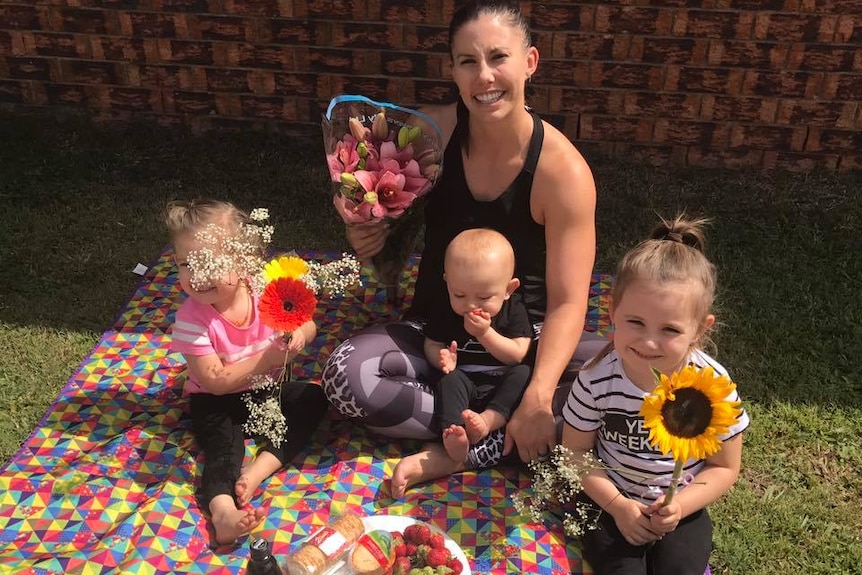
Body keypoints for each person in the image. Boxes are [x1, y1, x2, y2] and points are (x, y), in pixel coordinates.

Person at [321, 0, 601, 494]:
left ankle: (484, 435)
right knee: (346, 378)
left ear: (530, 62)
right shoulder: (431, 135)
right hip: (438, 335)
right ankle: (509, 433)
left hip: (520, 346)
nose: (484, 76)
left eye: (499, 58)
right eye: (469, 61)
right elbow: (391, 245)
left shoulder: (563, 174)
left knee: (633, 388)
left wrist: (536, 393)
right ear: (452, 69)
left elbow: (569, 301)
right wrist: (366, 231)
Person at [561, 215, 750, 575]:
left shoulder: (713, 386)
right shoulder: (596, 379)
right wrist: (618, 506)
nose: (648, 342)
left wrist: (679, 504)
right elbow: (575, 452)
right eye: (635, 322)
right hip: (608, 500)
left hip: (682, 507)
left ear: (699, 329)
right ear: (613, 311)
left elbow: (725, 467)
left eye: (669, 329)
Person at [165, 199, 328, 546]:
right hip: (215, 401)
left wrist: (300, 334)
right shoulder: (191, 319)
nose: (197, 275)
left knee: (313, 397)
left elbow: (308, 323)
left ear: (244, 260)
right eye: (185, 264)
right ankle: (223, 511)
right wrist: (268, 358)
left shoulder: (264, 289)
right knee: (223, 449)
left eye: (209, 262)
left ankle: (259, 470)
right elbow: (214, 381)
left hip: (265, 394)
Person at [424, 229, 533, 468]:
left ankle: (488, 421)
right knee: (448, 380)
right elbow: (431, 342)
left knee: (523, 374)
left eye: (484, 297)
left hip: (501, 380)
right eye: (459, 294)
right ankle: (455, 434)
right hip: (466, 379)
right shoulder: (444, 308)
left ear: (508, 289)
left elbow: (517, 354)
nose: (470, 305)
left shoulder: (513, 309)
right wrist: (442, 359)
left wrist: (485, 334)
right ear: (447, 283)